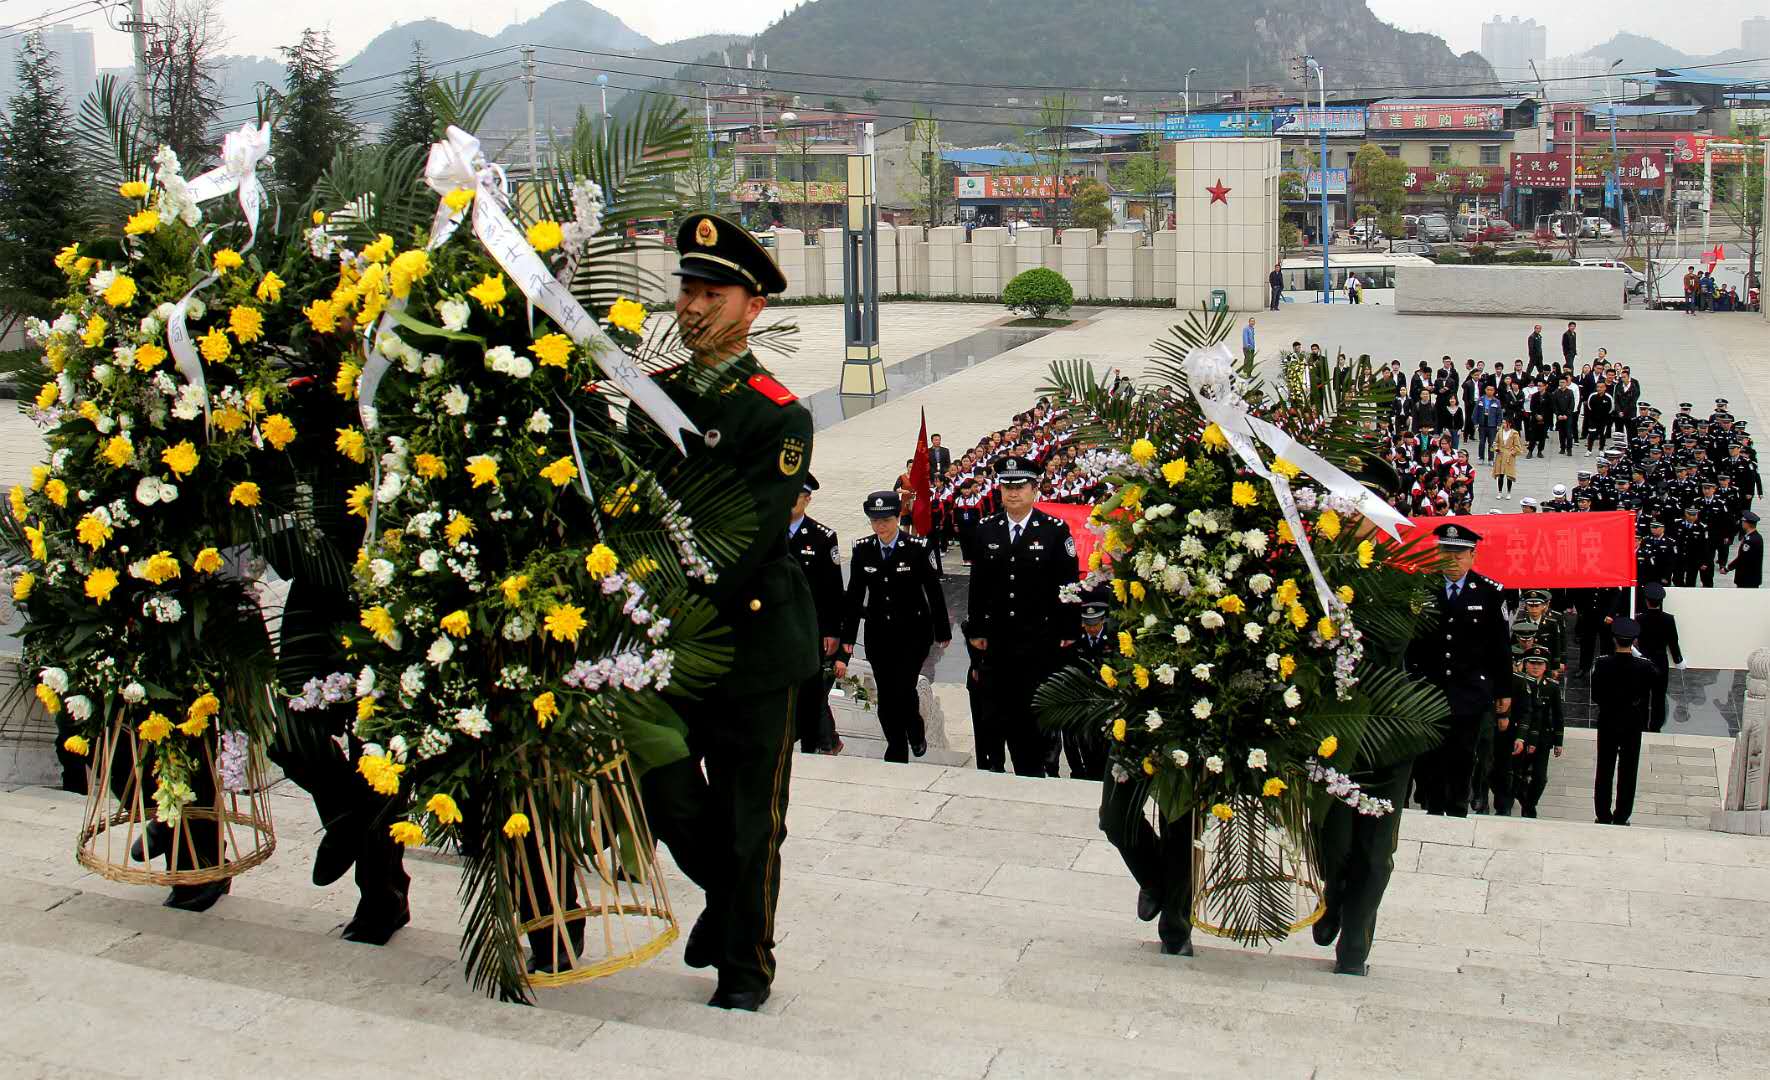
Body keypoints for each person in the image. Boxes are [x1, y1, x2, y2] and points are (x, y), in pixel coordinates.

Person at [634, 211, 819, 1012]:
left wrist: (654, 576)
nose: (693, 305)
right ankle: (726, 900)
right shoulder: (655, 397)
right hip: (666, 644)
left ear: (753, 307)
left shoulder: (778, 414)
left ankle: (746, 968)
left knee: (752, 820)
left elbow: (743, 534)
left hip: (750, 645)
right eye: (687, 289)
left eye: (713, 292)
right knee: (667, 794)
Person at [964, 455, 1080, 777]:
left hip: (1039, 638)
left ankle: (1035, 769)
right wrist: (976, 628)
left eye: (1020, 486)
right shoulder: (987, 529)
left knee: (1035, 711)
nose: (1012, 493)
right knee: (1004, 708)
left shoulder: (1054, 531)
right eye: (1007, 486)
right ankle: (1013, 767)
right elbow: (979, 584)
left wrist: (1069, 628)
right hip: (1000, 639)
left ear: (1034, 489)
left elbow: (1068, 585)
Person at [1405, 524, 1511, 817]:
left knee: (1464, 753)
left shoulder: (1489, 593)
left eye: (1460, 556)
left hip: (1470, 689)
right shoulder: (1422, 587)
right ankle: (1434, 806)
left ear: (1472, 557)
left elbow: (1500, 646)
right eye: (1447, 554)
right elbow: (1410, 640)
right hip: (1430, 687)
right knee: (1431, 754)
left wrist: (1503, 690)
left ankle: (1458, 808)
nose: (1453, 561)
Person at [841, 491, 952, 763]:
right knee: (887, 695)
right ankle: (896, 745)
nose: (881, 527)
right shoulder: (863, 549)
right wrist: (847, 636)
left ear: (898, 517)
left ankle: (915, 730)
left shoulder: (917, 546)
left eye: (886, 520)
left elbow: (933, 590)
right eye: (875, 522)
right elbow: (855, 595)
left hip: (913, 631)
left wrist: (942, 630)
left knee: (902, 688)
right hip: (879, 632)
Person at [788, 475, 844, 755]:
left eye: (796, 496)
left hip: (812, 629)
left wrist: (833, 631)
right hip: (779, 627)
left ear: (807, 499)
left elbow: (833, 590)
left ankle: (815, 743)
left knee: (811, 690)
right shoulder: (769, 532)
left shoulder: (822, 537)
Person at [1590, 618, 1658, 826]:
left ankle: (1602, 814)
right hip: (1632, 720)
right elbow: (1655, 681)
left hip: (1608, 719)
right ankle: (1622, 815)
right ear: (1635, 641)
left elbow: (1596, 696)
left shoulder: (1602, 663)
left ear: (1613, 639)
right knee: (1628, 770)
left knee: (1605, 768)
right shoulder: (1644, 666)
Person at [1059, 592, 1112, 780]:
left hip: (1104, 697)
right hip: (1083, 695)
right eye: (1088, 625)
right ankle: (1081, 770)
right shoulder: (1078, 639)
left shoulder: (1111, 639)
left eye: (1095, 625)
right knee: (1077, 739)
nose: (1091, 629)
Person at [1511, 646, 1564, 818]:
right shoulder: (1518, 682)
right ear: (1525, 664)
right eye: (1532, 663)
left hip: (1543, 736)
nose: (1535, 667)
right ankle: (1522, 799)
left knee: (1540, 777)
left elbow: (1558, 715)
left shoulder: (1552, 687)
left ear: (1545, 667)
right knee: (1516, 774)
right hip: (1521, 734)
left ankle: (1530, 805)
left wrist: (1558, 741)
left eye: (1540, 664)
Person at [1633, 583, 1682, 733]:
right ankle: (1655, 725)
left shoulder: (1639, 619)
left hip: (1643, 661)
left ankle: (1641, 723)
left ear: (1646, 600)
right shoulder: (1668, 619)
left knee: (1642, 695)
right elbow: (1673, 642)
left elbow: (1634, 640)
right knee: (1659, 697)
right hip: (1661, 661)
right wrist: (1678, 659)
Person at [1728, 511, 1763, 587]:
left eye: (1743, 521)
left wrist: (1728, 568)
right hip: (1751, 578)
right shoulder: (1757, 537)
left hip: (1747, 579)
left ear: (1747, 524)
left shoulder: (1750, 540)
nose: (1742, 523)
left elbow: (1742, 558)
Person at [1492, 418, 1521, 500]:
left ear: (1509, 424)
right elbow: (1495, 442)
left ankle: (1508, 492)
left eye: (1505, 423)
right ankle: (1499, 492)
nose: (1503, 424)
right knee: (1500, 475)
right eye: (1503, 423)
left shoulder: (1514, 433)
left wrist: (1513, 452)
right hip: (1500, 455)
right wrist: (1496, 448)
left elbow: (1517, 446)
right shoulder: (1499, 432)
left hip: (1509, 456)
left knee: (1509, 475)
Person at [1474, 384, 1503, 463]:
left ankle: (1491, 459)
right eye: (1488, 390)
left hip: (1492, 425)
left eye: (1491, 390)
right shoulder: (1481, 399)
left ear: (1494, 391)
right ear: (1485, 390)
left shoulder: (1496, 401)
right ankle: (1481, 458)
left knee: (1492, 443)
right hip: (1482, 424)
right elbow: (1475, 412)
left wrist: (1499, 424)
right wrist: (1475, 423)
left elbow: (1499, 414)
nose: (1489, 391)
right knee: (1482, 442)